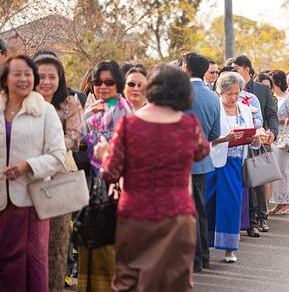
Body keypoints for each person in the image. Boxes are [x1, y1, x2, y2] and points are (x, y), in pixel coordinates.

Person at [94, 64, 209, 292]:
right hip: (177, 215)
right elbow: (202, 151)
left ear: (151, 88)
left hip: (136, 214)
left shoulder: (128, 124)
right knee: (174, 282)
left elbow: (111, 172)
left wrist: (104, 153)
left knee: (130, 280)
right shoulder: (189, 125)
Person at [0, 55, 66, 292]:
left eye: (28, 74)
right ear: (5, 78)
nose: (23, 78)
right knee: (6, 264)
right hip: (1, 201)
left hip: (30, 202)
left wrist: (27, 165)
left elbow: (58, 156)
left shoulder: (45, 111)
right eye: (16, 73)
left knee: (31, 264)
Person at [78, 61, 133, 292]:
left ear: (118, 83)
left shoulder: (123, 107)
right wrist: (86, 115)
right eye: (98, 82)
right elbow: (79, 136)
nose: (103, 86)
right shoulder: (93, 107)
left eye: (109, 81)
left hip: (114, 182)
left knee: (110, 240)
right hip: (92, 181)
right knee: (91, 235)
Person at [34, 53, 82, 291]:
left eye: (52, 76)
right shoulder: (22, 102)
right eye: (41, 76)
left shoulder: (69, 102)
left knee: (57, 243)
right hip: (27, 178)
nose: (46, 81)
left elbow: (74, 138)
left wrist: (47, 143)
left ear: (60, 78)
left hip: (60, 177)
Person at [206, 72, 261, 262]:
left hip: (236, 163)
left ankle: (230, 248)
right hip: (215, 163)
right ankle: (206, 243)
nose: (233, 97)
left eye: (237, 93)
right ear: (220, 93)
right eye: (229, 93)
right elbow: (207, 140)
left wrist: (254, 139)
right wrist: (225, 139)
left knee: (232, 205)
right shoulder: (214, 108)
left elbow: (252, 139)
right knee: (209, 204)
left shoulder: (246, 109)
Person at [180, 52, 221, 273]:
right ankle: (203, 257)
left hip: (179, 162)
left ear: (185, 67)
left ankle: (193, 260)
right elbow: (215, 133)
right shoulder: (213, 97)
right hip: (203, 161)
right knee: (200, 211)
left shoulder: (176, 93)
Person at [232, 55, 278, 237]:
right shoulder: (226, 89)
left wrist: (272, 132)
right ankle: (245, 220)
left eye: (236, 68)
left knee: (257, 178)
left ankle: (261, 216)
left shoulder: (260, 90)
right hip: (235, 142)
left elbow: (271, 114)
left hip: (258, 140)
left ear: (246, 69)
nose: (233, 70)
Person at [268, 70, 289, 215]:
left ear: (277, 82)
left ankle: (287, 203)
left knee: (284, 171)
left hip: (285, 137)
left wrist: (276, 120)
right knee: (275, 171)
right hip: (274, 137)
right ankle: (278, 202)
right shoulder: (273, 98)